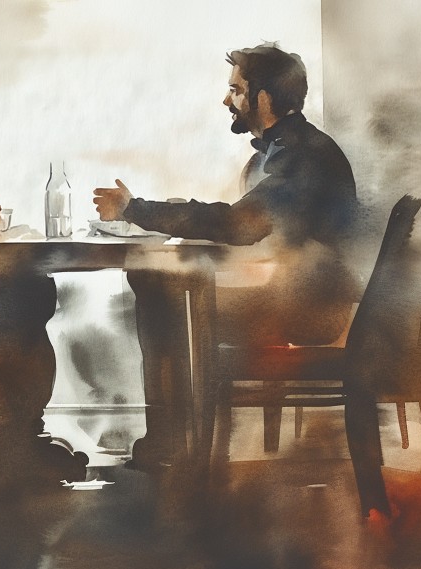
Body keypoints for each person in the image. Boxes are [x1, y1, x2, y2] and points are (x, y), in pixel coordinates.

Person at [94, 43, 362, 346]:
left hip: (310, 311)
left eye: (235, 90)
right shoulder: (295, 147)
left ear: (262, 99)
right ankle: (193, 393)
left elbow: (238, 225)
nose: (226, 101)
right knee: (153, 282)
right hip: (295, 296)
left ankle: (188, 395)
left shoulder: (302, 157)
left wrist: (135, 209)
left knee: (157, 294)